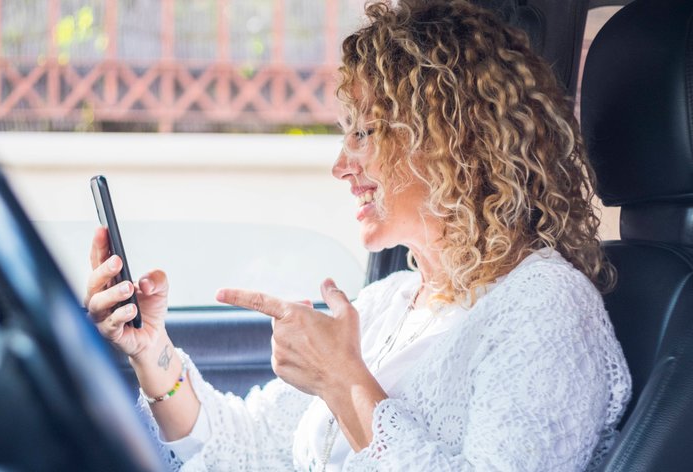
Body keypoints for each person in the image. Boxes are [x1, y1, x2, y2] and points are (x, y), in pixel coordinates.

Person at [84, 0, 631, 470]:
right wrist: (150, 349)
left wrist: (344, 381)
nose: (341, 165)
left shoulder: (546, 309)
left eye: (364, 132)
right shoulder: (390, 305)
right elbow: (250, 450)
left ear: (451, 139)